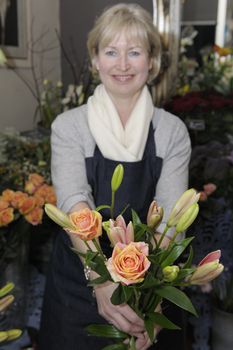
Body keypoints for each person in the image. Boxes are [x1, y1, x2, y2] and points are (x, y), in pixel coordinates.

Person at [39, 3, 191, 350]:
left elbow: (170, 220)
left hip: (150, 286)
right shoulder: (69, 127)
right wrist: (103, 282)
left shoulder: (171, 132)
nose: (122, 65)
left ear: (151, 62)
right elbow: (74, 200)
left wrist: (144, 296)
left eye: (134, 52)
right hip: (79, 281)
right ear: (95, 60)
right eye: (111, 52)